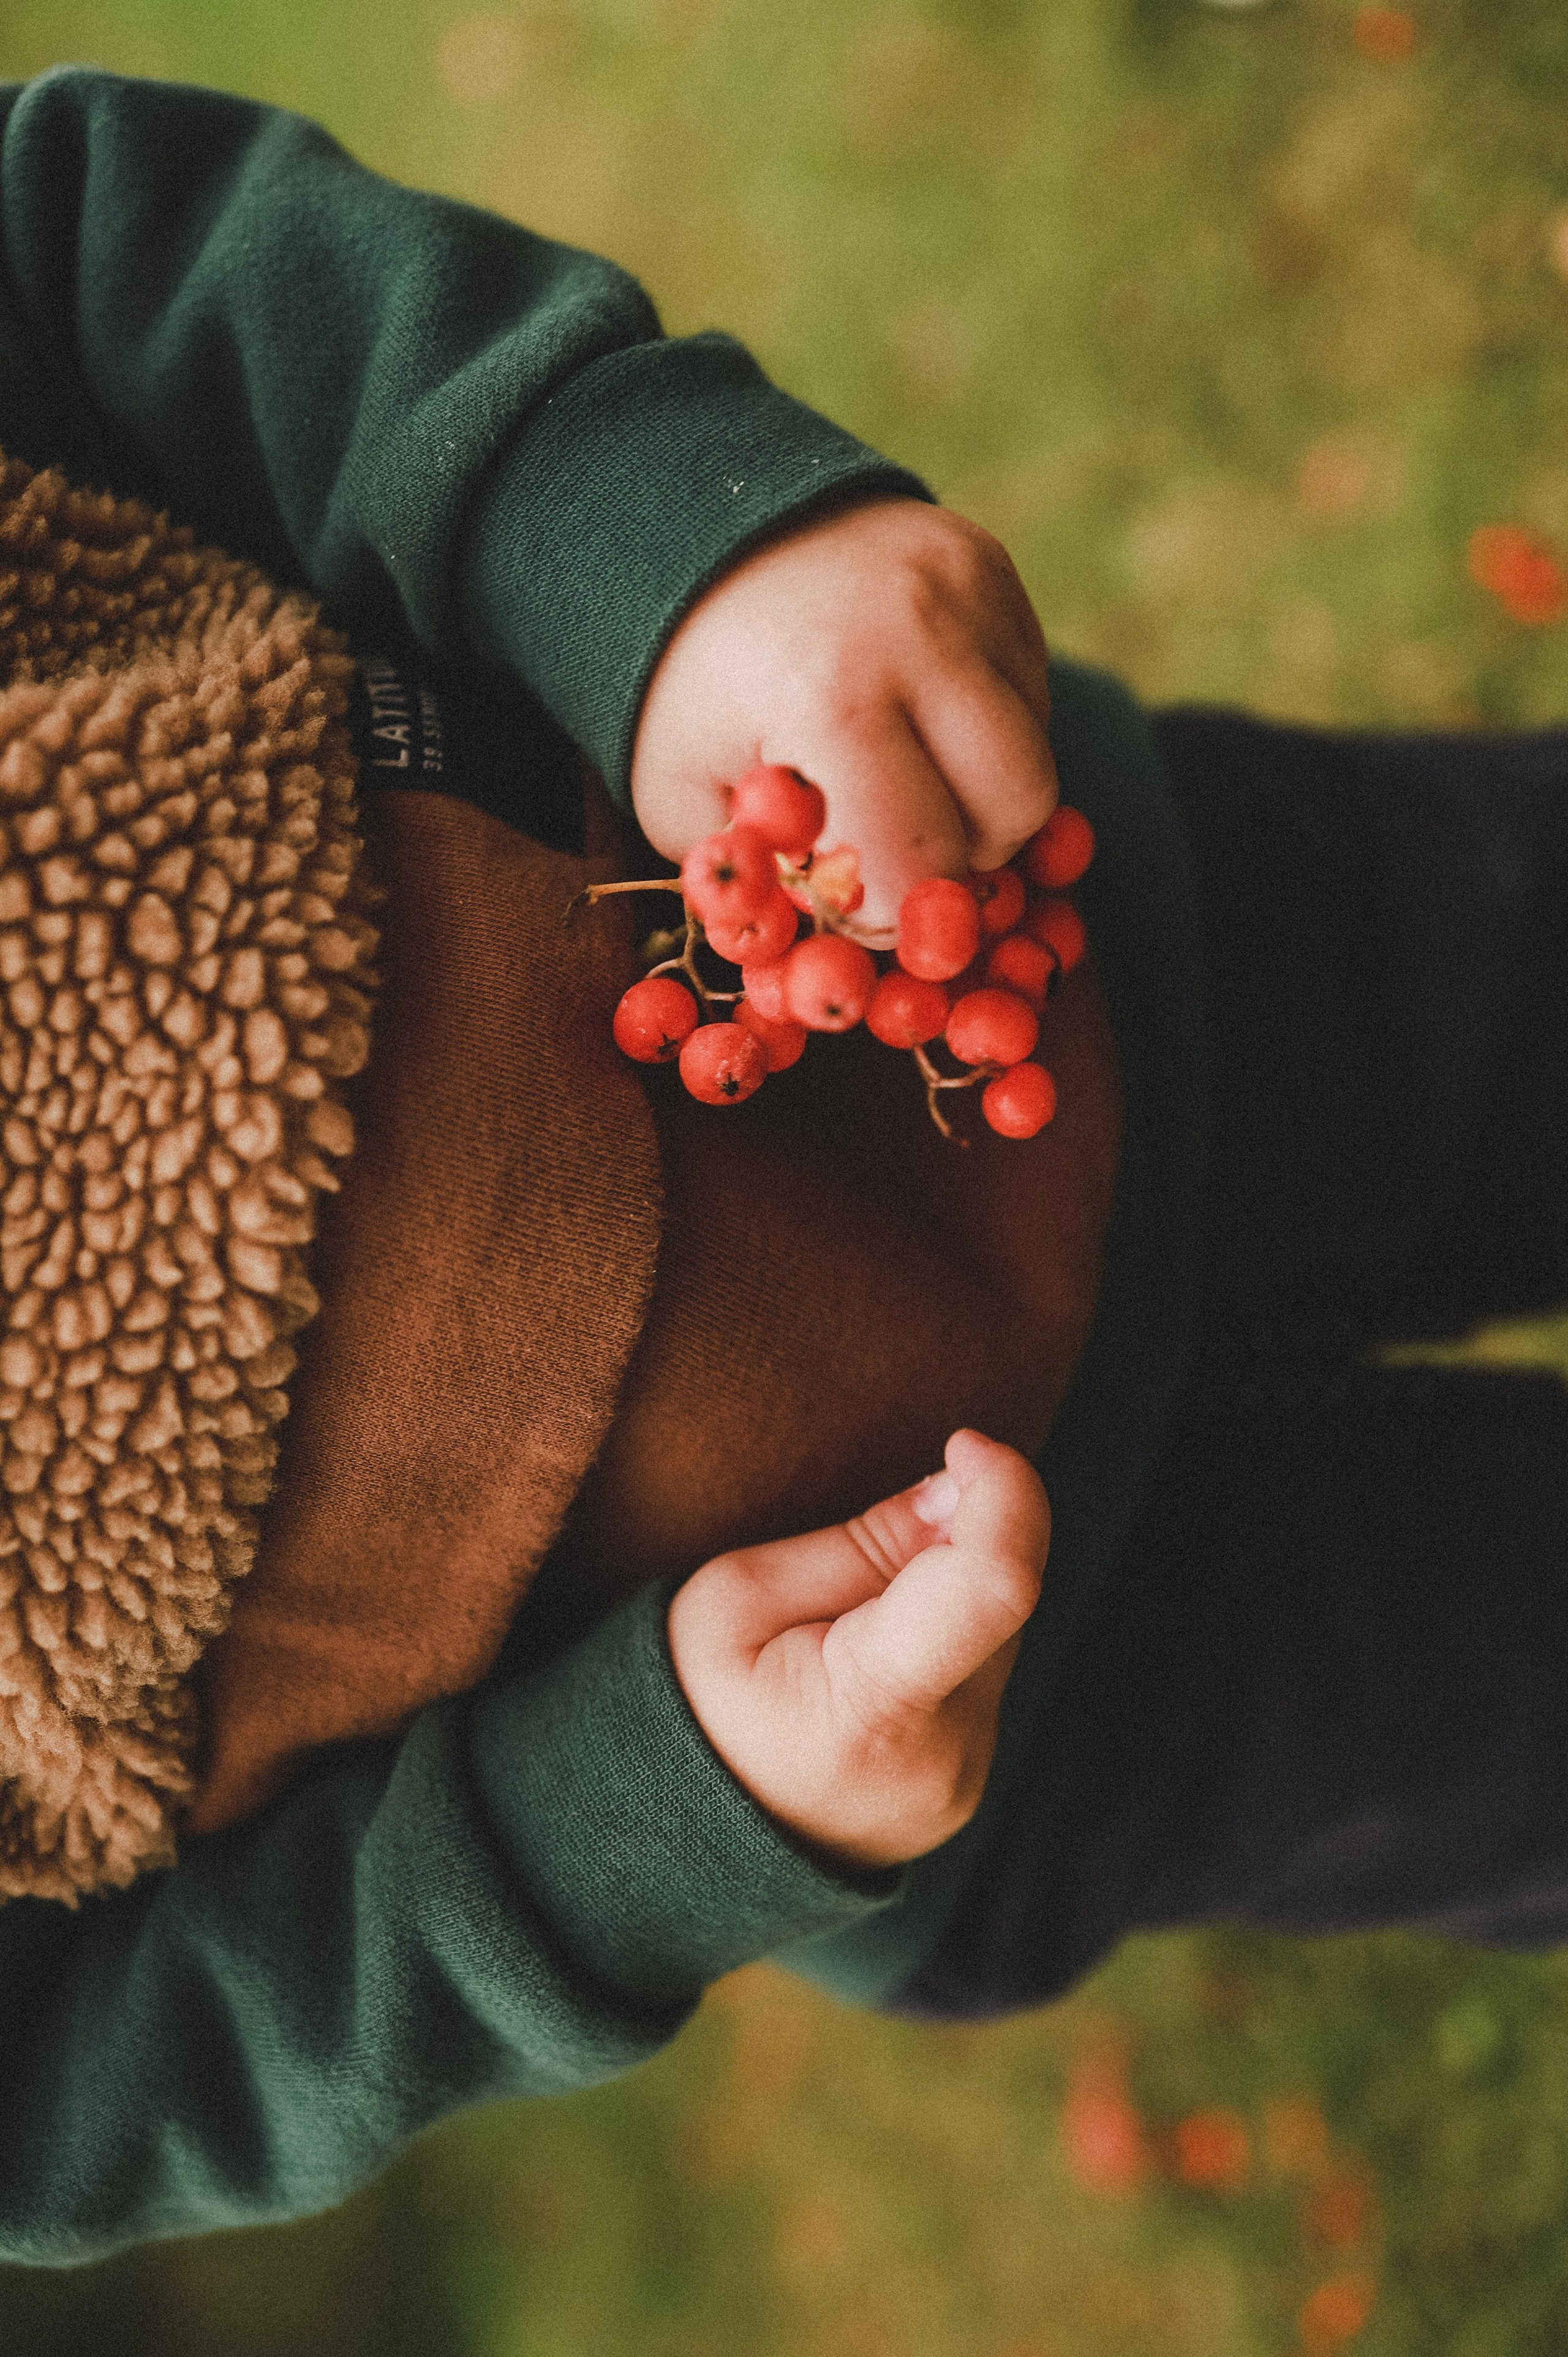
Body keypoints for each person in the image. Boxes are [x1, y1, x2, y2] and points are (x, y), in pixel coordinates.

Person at [0, 61, 1563, 2268]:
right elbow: (100, 2085)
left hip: (1058, 956)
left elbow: (89, 253)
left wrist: (663, 557)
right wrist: (629, 1838)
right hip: (987, 1709)